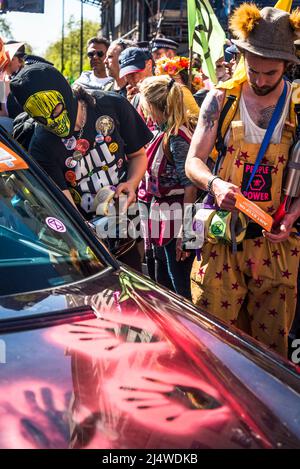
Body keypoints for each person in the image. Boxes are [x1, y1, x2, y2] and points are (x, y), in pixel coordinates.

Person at [185, 4, 300, 357]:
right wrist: (215, 184)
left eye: (272, 72)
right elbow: (193, 162)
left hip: (277, 243)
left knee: (271, 353)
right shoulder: (220, 100)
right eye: (255, 70)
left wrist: (295, 213)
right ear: (242, 57)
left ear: (288, 65)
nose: (262, 80)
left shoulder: (298, 105)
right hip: (224, 241)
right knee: (212, 345)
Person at [10, 63, 153, 270]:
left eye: (56, 109)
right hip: (81, 241)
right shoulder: (42, 144)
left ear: (64, 92)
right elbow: (66, 208)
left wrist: (132, 183)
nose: (52, 120)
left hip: (125, 228)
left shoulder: (112, 105)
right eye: (41, 118)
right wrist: (87, 239)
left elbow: (138, 155)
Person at [139, 75, 198, 299]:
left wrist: (186, 232)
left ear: (155, 106)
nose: (145, 112)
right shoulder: (166, 132)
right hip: (163, 218)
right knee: (164, 286)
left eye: (147, 107)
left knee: (179, 291)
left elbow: (190, 186)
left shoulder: (177, 138)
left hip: (177, 221)